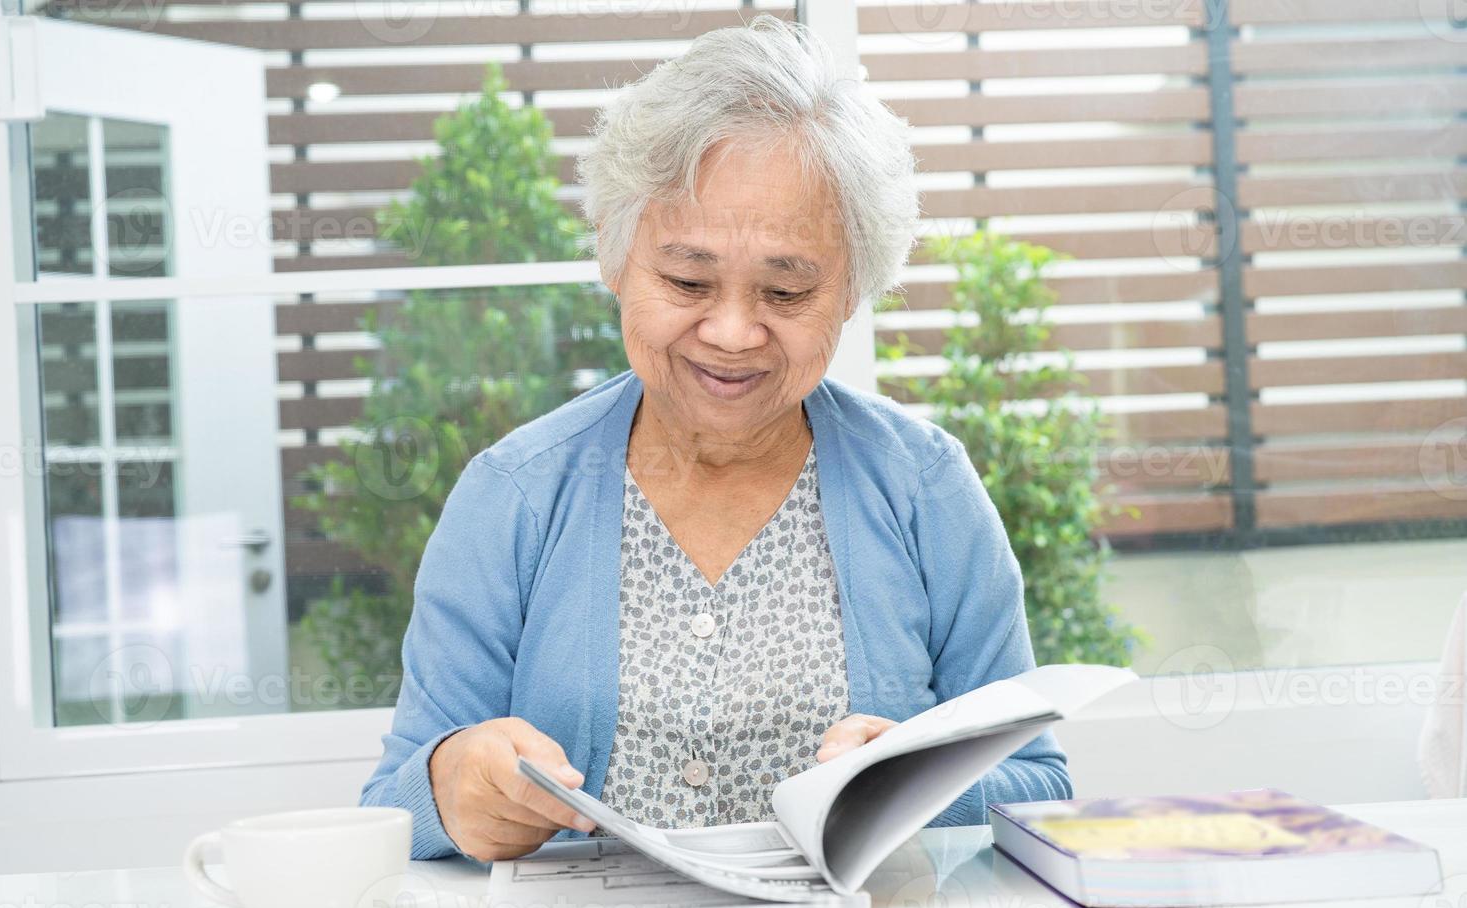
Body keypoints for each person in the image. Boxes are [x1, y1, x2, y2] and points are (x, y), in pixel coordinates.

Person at [362, 15, 1070, 862]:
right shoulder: (513, 494)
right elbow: (395, 807)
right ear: (615, 258)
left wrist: (915, 783)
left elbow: (1040, 783)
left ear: (852, 293)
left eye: (787, 291)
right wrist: (453, 788)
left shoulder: (924, 487)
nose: (733, 333)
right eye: (688, 279)